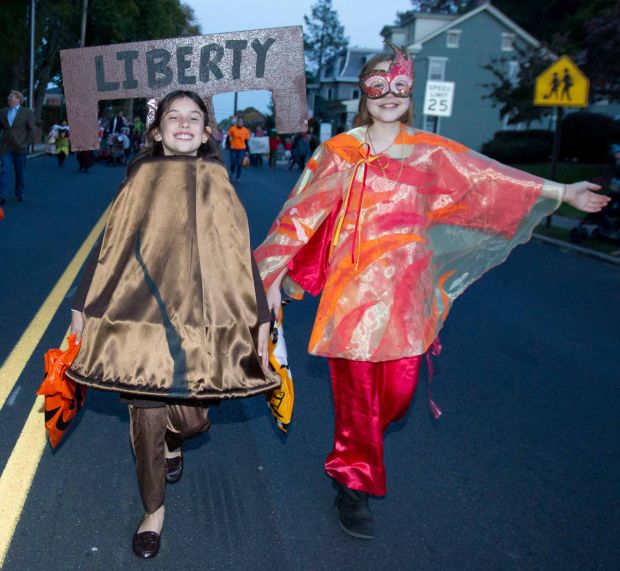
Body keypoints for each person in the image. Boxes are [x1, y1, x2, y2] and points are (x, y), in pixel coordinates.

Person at [254, 43, 610, 540]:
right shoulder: (338, 153)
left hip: (406, 301)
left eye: (399, 85)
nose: (389, 94)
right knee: (359, 402)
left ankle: (357, 452)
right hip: (352, 303)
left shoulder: (432, 152)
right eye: (378, 84)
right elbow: (297, 219)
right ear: (364, 92)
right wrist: (266, 280)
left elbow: (488, 181)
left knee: (396, 400)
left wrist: (559, 193)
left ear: (410, 92)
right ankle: (352, 483)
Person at [67, 90, 279, 559]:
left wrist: (261, 323)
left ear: (207, 131)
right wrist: (81, 308)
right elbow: (110, 247)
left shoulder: (218, 179)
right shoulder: (138, 176)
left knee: (192, 417)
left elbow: (240, 259)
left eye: (194, 118)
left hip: (202, 325)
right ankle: (153, 510)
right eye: (173, 116)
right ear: (158, 128)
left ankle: (175, 439)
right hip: (140, 321)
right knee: (147, 412)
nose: (183, 124)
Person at [0, 90, 36, 204]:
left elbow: (32, 130)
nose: (9, 99)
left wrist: (26, 144)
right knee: (5, 170)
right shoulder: (2, 112)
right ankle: (1, 195)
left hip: (20, 148)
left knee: (19, 172)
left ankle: (19, 193)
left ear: (18, 99)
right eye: (9, 97)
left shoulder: (27, 113)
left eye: (11, 97)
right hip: (5, 147)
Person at [227, 117, 250, 181]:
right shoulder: (232, 129)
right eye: (239, 121)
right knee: (233, 162)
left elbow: (246, 142)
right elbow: (228, 138)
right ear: (237, 122)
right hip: (233, 148)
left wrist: (247, 151)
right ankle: (232, 172)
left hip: (241, 149)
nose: (240, 123)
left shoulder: (245, 130)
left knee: (240, 163)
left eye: (241, 122)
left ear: (243, 123)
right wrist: (228, 145)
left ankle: (238, 176)